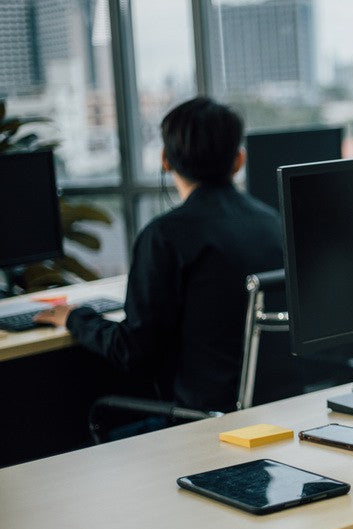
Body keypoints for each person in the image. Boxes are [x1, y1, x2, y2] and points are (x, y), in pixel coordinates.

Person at [34, 97, 284, 414]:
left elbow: (133, 350)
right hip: (278, 409)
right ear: (238, 160)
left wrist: (75, 318)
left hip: (205, 418)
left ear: (165, 159)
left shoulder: (165, 236)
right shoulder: (273, 222)